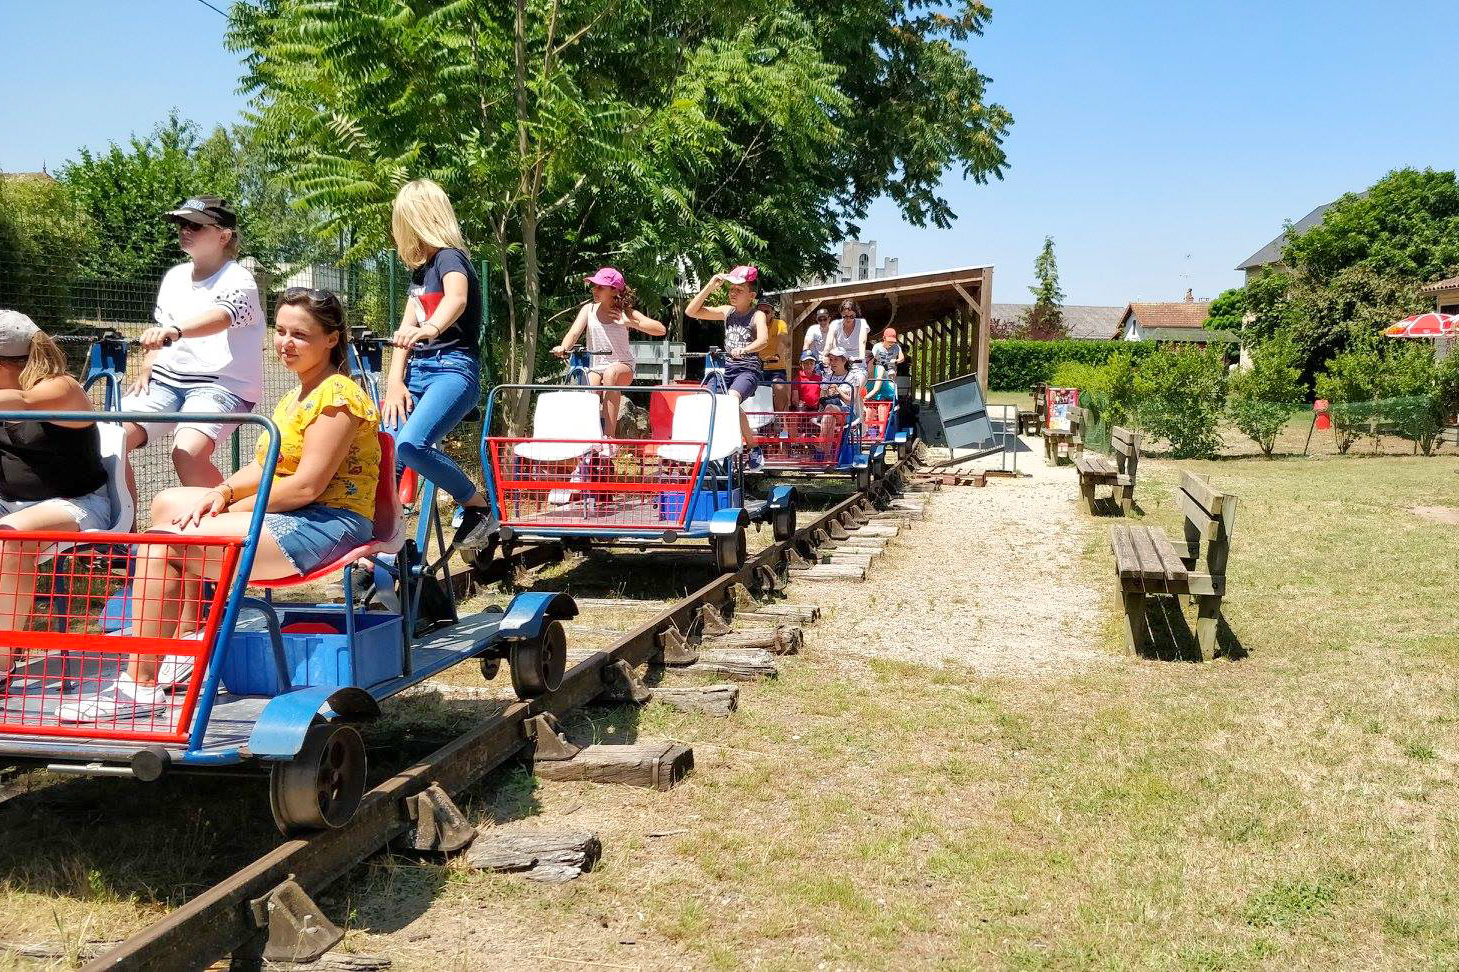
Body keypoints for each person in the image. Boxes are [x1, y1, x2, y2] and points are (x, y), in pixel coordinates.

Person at [58, 289, 381, 721]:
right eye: (280, 331)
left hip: (326, 522)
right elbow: (266, 465)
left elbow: (305, 488)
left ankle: (139, 684)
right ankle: (187, 639)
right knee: (167, 504)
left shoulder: (336, 396)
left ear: (332, 339)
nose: (286, 342)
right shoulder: (298, 394)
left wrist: (228, 506)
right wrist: (221, 491)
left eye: (300, 335)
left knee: (163, 546)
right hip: (293, 512)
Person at [380, 179, 496, 552]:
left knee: (410, 445)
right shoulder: (420, 273)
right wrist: (394, 383)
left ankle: (476, 506)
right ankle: (376, 556)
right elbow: (404, 330)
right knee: (383, 456)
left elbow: (457, 300)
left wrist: (429, 329)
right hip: (416, 373)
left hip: (453, 369)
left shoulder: (450, 257)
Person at [122, 196, 263, 503]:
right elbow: (162, 326)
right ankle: (122, 543)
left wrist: (176, 331)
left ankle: (233, 529)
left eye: (195, 225)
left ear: (224, 236)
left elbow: (222, 317)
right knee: (110, 439)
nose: (184, 230)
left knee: (187, 452)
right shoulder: (174, 277)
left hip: (222, 385)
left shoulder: (240, 278)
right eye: (182, 224)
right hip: (166, 381)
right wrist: (148, 364)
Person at [0, 312, 112, 690]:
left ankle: (1, 662)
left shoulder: (61, 388)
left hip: (77, 503)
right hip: (10, 505)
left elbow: (22, 401)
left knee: (10, 541)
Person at [551, 268, 666, 436]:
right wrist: (563, 347)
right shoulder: (588, 310)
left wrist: (629, 322)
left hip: (622, 367)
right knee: (588, 384)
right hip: (596, 368)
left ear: (614, 290)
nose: (594, 290)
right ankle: (587, 438)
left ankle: (608, 439)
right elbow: (574, 333)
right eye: (593, 286)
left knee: (611, 374)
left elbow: (660, 329)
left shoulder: (626, 312)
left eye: (599, 287)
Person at [685, 265, 768, 471]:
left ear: (751, 295)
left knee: (731, 399)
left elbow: (764, 340)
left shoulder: (757, 315)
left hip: (748, 369)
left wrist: (745, 349)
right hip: (727, 369)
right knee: (708, 400)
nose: (733, 293)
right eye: (731, 289)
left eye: (739, 290)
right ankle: (716, 452)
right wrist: (710, 287)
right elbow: (691, 311)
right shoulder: (726, 312)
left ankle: (754, 447)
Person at [825, 299, 871, 389]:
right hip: (840, 364)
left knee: (854, 391)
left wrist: (861, 357)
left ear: (856, 314)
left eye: (851, 316)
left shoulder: (862, 323)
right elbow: (829, 343)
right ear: (841, 314)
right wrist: (825, 355)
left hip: (857, 363)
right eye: (845, 316)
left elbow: (863, 341)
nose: (848, 319)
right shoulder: (835, 324)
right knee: (828, 388)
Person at [757, 301, 792, 412]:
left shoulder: (779, 324)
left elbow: (784, 341)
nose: (763, 314)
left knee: (780, 387)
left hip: (776, 368)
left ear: (772, 313)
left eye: (766, 312)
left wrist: (777, 354)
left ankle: (779, 419)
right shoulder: (752, 325)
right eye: (760, 312)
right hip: (756, 367)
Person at [865, 327, 905, 402]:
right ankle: (873, 393)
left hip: (890, 370)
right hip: (878, 368)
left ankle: (890, 399)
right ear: (884, 338)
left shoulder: (896, 347)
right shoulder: (877, 347)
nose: (891, 343)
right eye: (889, 341)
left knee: (892, 374)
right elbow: (871, 359)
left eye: (893, 341)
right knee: (880, 370)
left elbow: (902, 358)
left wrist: (896, 361)